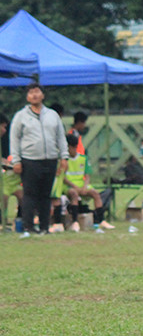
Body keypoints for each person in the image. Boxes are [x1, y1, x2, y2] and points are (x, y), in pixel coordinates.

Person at [9, 84, 68, 235]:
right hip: (30, 160)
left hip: (50, 159)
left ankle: (44, 226)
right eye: (31, 93)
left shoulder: (52, 115)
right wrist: (16, 160)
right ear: (27, 97)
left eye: (37, 92)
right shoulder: (21, 116)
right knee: (30, 194)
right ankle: (28, 227)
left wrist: (64, 157)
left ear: (42, 95)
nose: (34, 95)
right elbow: (14, 139)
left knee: (45, 195)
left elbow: (60, 137)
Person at [62, 133, 115, 231]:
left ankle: (101, 220)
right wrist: (75, 187)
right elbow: (63, 178)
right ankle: (75, 222)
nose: (72, 150)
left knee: (95, 193)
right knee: (73, 194)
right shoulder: (64, 160)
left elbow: (87, 175)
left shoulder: (83, 158)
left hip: (82, 185)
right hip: (69, 186)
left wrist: (85, 187)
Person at [1, 112, 25, 229]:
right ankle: (3, 223)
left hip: (11, 182)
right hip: (4, 182)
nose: (5, 130)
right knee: (3, 198)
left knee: (23, 196)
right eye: (4, 127)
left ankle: (20, 223)